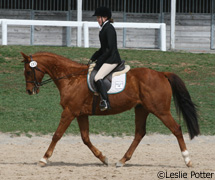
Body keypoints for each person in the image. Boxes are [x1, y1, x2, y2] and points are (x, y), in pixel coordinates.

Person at [90, 7, 122, 111]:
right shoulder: (104, 28)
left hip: (112, 59)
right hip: (107, 58)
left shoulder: (109, 28)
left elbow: (110, 49)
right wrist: (94, 57)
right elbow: (103, 48)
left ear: (105, 17)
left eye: (99, 17)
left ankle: (105, 101)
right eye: (97, 17)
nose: (97, 19)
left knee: (98, 77)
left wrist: (99, 60)